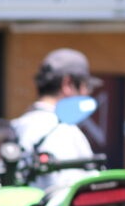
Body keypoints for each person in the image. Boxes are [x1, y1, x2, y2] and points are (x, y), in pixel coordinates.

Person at [11, 48, 101, 189]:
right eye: (86, 86)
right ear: (68, 84)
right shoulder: (65, 132)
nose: (87, 93)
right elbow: (75, 191)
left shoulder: (16, 126)